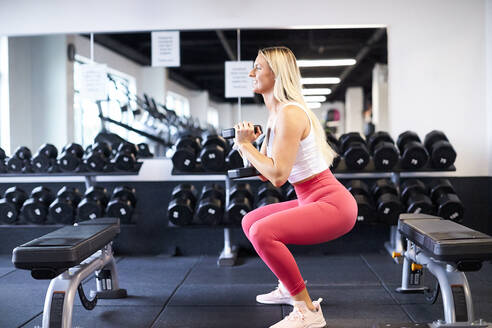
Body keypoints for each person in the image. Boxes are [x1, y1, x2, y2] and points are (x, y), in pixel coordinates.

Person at [234, 46, 358, 328]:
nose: (252, 73)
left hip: (333, 204)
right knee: (251, 220)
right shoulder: (276, 114)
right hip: (309, 198)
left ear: (277, 74)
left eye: (259, 67)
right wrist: (249, 147)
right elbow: (264, 174)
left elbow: (278, 176)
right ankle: (287, 288)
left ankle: (308, 312)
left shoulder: (290, 114)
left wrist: (244, 145)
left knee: (262, 231)